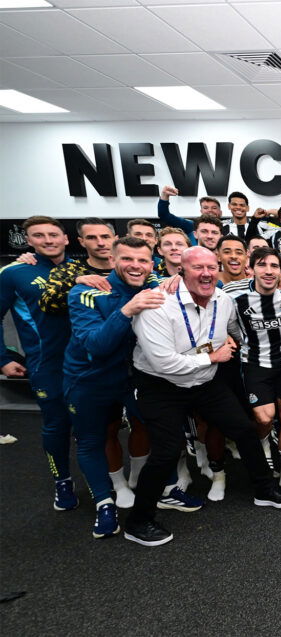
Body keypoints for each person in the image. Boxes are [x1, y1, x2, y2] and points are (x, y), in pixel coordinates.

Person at [128, 246, 281, 547]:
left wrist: (241, 346)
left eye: (210, 267)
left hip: (205, 381)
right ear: (181, 270)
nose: (205, 274)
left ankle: (264, 490)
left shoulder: (224, 299)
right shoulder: (157, 305)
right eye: (196, 268)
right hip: (162, 385)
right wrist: (213, 358)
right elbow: (164, 363)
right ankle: (138, 521)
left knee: (245, 429)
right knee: (165, 452)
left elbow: (235, 329)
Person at [64, 237, 165, 538]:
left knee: (151, 425)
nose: (135, 266)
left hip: (131, 377)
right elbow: (97, 344)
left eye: (142, 260)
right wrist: (128, 310)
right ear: (113, 260)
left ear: (151, 263)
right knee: (94, 438)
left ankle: (137, 479)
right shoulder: (86, 291)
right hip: (88, 379)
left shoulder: (154, 285)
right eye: (127, 259)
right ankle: (106, 499)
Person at [222, 247, 281, 495]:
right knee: (264, 418)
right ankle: (264, 450)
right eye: (262, 265)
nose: (269, 270)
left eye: (274, 266)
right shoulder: (235, 299)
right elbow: (232, 328)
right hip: (255, 365)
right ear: (250, 269)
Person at [0, 216, 77, 510]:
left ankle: (102, 479)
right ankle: (62, 482)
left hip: (88, 362)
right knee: (56, 425)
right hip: (47, 364)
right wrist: (3, 358)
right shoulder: (14, 272)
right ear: (28, 241)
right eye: (39, 235)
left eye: (53, 234)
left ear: (66, 239)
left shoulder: (81, 269)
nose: (48, 240)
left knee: (92, 425)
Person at [39, 218, 116, 315]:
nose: (100, 243)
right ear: (81, 241)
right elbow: (47, 305)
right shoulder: (67, 270)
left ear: (116, 239)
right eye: (91, 238)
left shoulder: (130, 267)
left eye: (105, 237)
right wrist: (75, 281)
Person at [157, 184, 221, 244]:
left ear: (220, 211)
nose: (210, 210)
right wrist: (164, 196)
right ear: (201, 211)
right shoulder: (190, 225)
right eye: (206, 208)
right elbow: (164, 215)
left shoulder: (228, 228)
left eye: (214, 208)